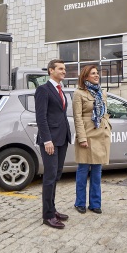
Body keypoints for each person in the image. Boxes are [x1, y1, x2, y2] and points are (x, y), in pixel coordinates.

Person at [35, 59, 72, 229]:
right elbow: (41, 117)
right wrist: (47, 139)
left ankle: (53, 208)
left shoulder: (60, 90)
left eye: (64, 69)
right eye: (61, 69)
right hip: (50, 140)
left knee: (56, 175)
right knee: (49, 178)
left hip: (62, 139)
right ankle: (47, 216)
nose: (64, 71)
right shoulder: (43, 90)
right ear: (51, 70)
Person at [72, 65, 111, 214]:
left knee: (97, 171)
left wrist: (108, 127)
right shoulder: (79, 93)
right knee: (83, 170)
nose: (97, 75)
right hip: (87, 136)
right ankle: (80, 202)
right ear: (85, 76)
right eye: (93, 73)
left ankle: (95, 204)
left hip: (101, 135)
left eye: (97, 73)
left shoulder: (102, 93)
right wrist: (82, 138)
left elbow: (104, 113)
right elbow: (78, 117)